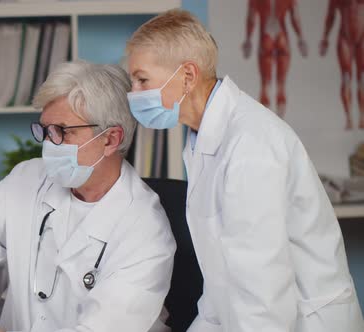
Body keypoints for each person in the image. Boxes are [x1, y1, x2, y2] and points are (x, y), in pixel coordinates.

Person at [126, 9, 364, 332]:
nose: (134, 94)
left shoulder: (250, 146)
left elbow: (263, 299)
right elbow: (220, 284)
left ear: (187, 76)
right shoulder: (203, 138)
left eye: (142, 80)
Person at [0, 61, 176, 332]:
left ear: (110, 139)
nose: (49, 144)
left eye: (62, 131)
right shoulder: (29, 178)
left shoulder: (145, 230)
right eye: (45, 131)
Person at [242, 0, 308, 118]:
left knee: (265, 83)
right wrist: (300, 38)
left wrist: (248, 39)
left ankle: (267, 120)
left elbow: (251, 18)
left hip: (266, 37)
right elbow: (294, 16)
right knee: (281, 83)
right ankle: (280, 121)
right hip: (282, 37)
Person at [320, 0, 364, 129]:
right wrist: (325, 38)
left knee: (362, 79)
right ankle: (349, 117)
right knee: (346, 78)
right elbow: (331, 15)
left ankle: (361, 117)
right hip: (344, 37)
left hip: (362, 38)